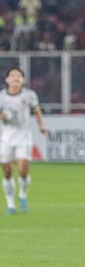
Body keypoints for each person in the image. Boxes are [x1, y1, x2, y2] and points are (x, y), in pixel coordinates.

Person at [0, 67, 47, 214]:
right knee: (7, 172)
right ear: (7, 79)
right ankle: (10, 205)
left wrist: (41, 127)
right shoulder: (1, 96)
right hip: (6, 139)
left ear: (23, 80)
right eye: (12, 76)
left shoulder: (29, 95)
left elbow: (37, 111)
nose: (15, 78)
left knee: (22, 170)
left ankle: (22, 195)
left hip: (23, 137)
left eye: (18, 76)